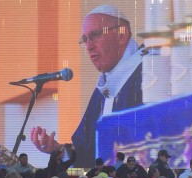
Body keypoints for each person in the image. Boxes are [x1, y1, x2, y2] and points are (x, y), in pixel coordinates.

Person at [31, 4, 145, 167]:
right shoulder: (103, 90)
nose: (89, 46)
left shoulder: (151, 72)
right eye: (85, 40)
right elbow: (86, 151)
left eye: (96, 35)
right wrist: (59, 150)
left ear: (121, 34)